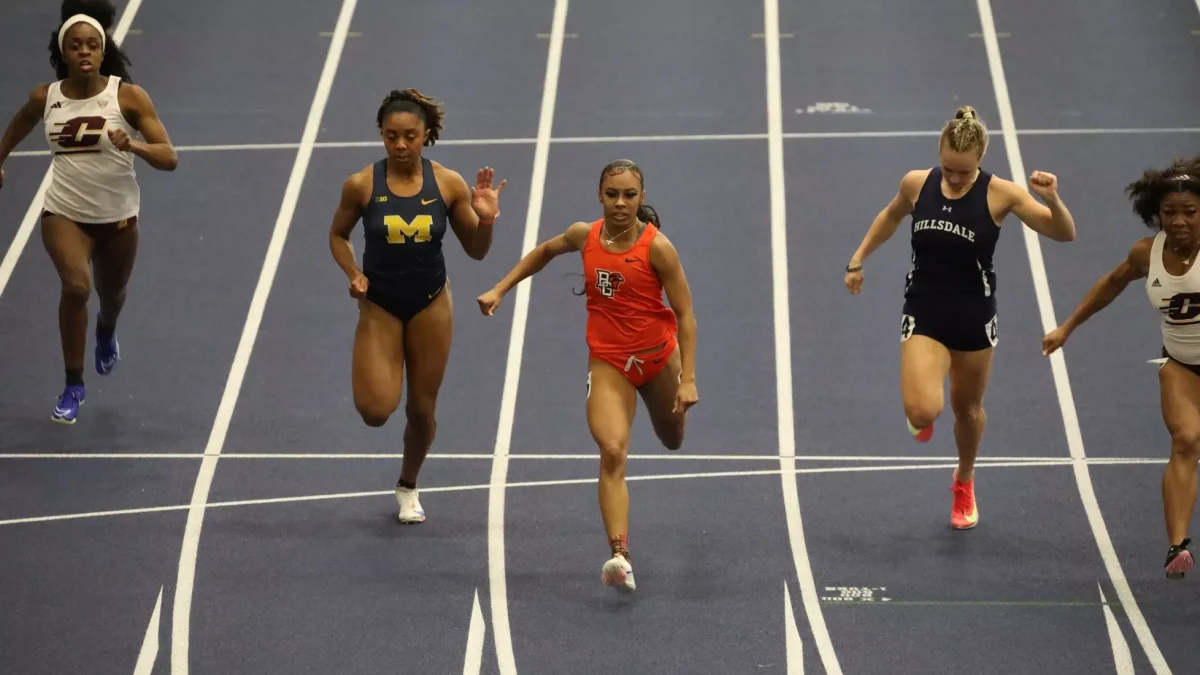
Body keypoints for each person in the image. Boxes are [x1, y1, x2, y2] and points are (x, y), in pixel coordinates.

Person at [843, 105, 1076, 530]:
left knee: (966, 409)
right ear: (939, 154)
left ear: (981, 161)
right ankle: (921, 415)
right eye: (948, 169)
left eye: (963, 173)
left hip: (973, 317)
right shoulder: (917, 183)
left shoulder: (1001, 194)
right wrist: (858, 259)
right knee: (922, 411)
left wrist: (1053, 199)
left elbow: (1063, 232)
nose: (953, 179)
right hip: (925, 309)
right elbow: (891, 216)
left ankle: (964, 480)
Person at [476, 158, 699, 593]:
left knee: (673, 439)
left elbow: (686, 315)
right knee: (612, 449)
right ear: (600, 195)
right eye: (612, 194)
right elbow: (544, 252)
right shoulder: (585, 235)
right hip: (609, 362)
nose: (620, 203)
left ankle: (670, 410)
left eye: (629, 195)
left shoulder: (658, 248)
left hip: (658, 360)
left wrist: (687, 377)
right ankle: (620, 555)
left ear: (641, 198)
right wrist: (500, 288)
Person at [329, 88, 505, 525]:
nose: (402, 145)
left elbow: (477, 251)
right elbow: (337, 235)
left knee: (422, 410)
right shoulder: (361, 184)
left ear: (426, 135)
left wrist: (486, 219)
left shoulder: (446, 183)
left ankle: (408, 486)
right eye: (392, 137)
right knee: (374, 412)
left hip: (431, 304)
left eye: (410, 136)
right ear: (381, 136)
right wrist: (353, 272)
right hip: (380, 305)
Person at [0, 0, 177, 425]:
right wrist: (1, 157)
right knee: (77, 287)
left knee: (111, 296)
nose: (84, 52)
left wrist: (132, 144)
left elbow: (169, 157)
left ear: (103, 52)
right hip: (64, 213)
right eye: (76, 45)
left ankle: (106, 329)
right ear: (64, 52)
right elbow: (18, 125)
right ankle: (73, 385)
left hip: (118, 217)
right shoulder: (47, 97)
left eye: (92, 45)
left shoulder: (128, 97)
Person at [1043, 156, 1200, 579]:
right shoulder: (1147, 254)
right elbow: (1112, 283)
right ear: (1157, 214)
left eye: (1190, 212)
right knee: (1185, 440)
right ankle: (1177, 546)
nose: (1179, 221)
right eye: (1170, 213)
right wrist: (1067, 327)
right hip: (1182, 364)